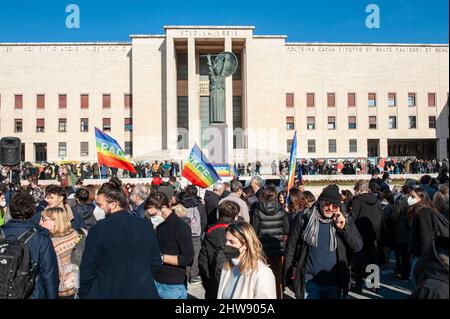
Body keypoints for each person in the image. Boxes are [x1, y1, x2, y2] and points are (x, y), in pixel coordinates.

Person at [79, 177, 161, 299]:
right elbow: (156, 263)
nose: (98, 208)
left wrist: (86, 293)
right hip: (142, 290)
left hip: (109, 291)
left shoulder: (98, 230)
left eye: (100, 205)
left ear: (113, 204)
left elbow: (88, 269)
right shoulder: (144, 225)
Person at [284, 184, 363, 299]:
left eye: (335, 206)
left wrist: (344, 229)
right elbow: (291, 247)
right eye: (327, 203)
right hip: (309, 279)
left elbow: (358, 246)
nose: (330, 208)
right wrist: (287, 276)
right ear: (320, 201)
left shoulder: (344, 219)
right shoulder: (303, 217)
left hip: (334, 282)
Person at [0, 192, 59, 298]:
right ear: (33, 211)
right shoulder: (41, 238)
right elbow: (49, 275)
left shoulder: (2, 233)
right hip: (32, 293)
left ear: (11, 211)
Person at [217, 222, 276, 299]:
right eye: (226, 240)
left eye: (231, 241)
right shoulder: (227, 266)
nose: (226, 244)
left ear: (246, 245)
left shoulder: (262, 273)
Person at [152, 192, 194, 299]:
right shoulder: (160, 226)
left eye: (153, 215)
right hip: (157, 279)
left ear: (164, 208)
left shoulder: (180, 227)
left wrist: (161, 257)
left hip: (172, 285)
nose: (151, 218)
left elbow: (188, 258)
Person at [251, 186, 290, 298]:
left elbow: (254, 230)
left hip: (262, 249)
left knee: (262, 276)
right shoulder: (281, 210)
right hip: (278, 247)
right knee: (277, 276)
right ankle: (278, 296)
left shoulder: (257, 210)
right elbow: (287, 229)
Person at [199, 201, 240, 299]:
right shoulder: (240, 235)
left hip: (213, 283)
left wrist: (208, 283)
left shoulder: (210, 233)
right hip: (235, 282)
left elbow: (203, 262)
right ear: (236, 216)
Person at [408, 187, 449, 282]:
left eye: (413, 196)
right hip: (425, 255)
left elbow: (425, 236)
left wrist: (425, 259)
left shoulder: (423, 211)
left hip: (424, 256)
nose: (409, 198)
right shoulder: (422, 209)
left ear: (421, 198)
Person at [39, 207, 81, 299]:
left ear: (55, 221)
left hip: (62, 291)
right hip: (78, 284)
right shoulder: (76, 234)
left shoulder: (52, 243)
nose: (40, 222)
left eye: (43, 219)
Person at [352, 180, 384, 293]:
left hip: (360, 235)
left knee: (359, 261)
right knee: (372, 260)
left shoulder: (357, 201)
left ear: (359, 189)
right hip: (373, 234)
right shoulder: (376, 200)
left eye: (355, 189)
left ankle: (358, 285)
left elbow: (354, 219)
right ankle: (374, 285)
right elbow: (381, 216)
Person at [180, 185, 207, 284]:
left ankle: (185, 273)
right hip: (196, 233)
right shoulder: (199, 205)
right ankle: (193, 275)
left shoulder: (181, 203)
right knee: (196, 254)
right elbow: (204, 220)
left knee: (184, 252)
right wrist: (201, 231)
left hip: (183, 232)